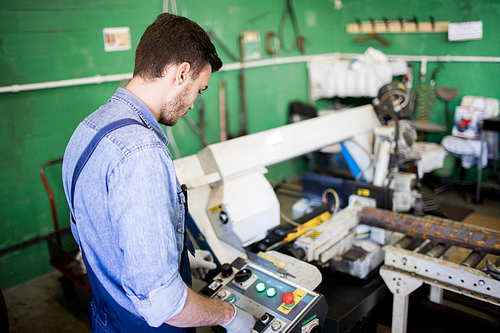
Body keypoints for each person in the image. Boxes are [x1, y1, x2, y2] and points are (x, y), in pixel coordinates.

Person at [62, 13, 255, 333]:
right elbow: (163, 304)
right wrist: (228, 315)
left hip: (106, 317)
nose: (193, 103)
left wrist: (172, 257)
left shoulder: (89, 127)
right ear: (181, 73)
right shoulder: (142, 154)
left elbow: (97, 234)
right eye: (200, 89)